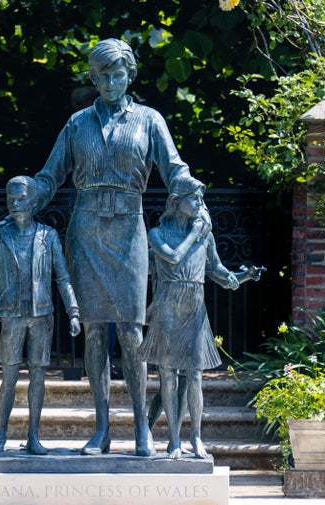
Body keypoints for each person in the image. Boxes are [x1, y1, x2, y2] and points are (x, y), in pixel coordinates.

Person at [31, 38, 207, 457]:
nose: (110, 82)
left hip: (129, 230)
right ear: (93, 78)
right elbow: (50, 175)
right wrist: (23, 199)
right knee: (95, 334)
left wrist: (189, 186)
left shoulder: (149, 120)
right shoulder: (77, 124)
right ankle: (102, 429)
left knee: (131, 332)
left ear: (130, 75)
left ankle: (142, 429)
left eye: (118, 74)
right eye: (102, 75)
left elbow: (173, 167)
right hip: (87, 230)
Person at [139, 178, 263, 459]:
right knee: (168, 376)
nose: (199, 204)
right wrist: (195, 234)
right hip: (168, 306)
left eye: (200, 199)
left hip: (195, 307)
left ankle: (195, 437)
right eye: (194, 199)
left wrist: (240, 277)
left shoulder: (204, 235)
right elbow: (172, 257)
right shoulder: (158, 234)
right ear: (176, 202)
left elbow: (216, 269)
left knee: (194, 375)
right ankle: (173, 440)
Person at [0, 175, 81, 455]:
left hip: (42, 315)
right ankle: (1, 433)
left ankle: (33, 436)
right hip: (11, 315)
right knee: (9, 375)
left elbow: (63, 277)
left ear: (34, 202)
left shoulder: (48, 236)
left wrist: (73, 311)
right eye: (11, 198)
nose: (16, 203)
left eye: (22, 198)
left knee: (38, 375)